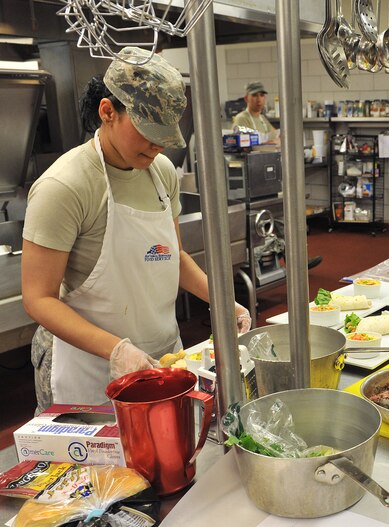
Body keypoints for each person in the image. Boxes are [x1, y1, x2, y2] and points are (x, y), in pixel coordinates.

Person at [22, 47, 252, 413]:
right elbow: (38, 298)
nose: (157, 145)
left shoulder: (160, 172)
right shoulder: (65, 186)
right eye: (147, 130)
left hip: (164, 359)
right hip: (92, 371)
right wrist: (117, 350)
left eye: (165, 134)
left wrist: (223, 302)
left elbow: (172, 258)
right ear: (108, 111)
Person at [232, 81, 279, 145]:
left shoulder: (262, 118)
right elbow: (243, 144)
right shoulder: (242, 118)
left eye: (261, 95)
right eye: (254, 95)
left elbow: (275, 135)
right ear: (246, 98)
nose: (259, 99)